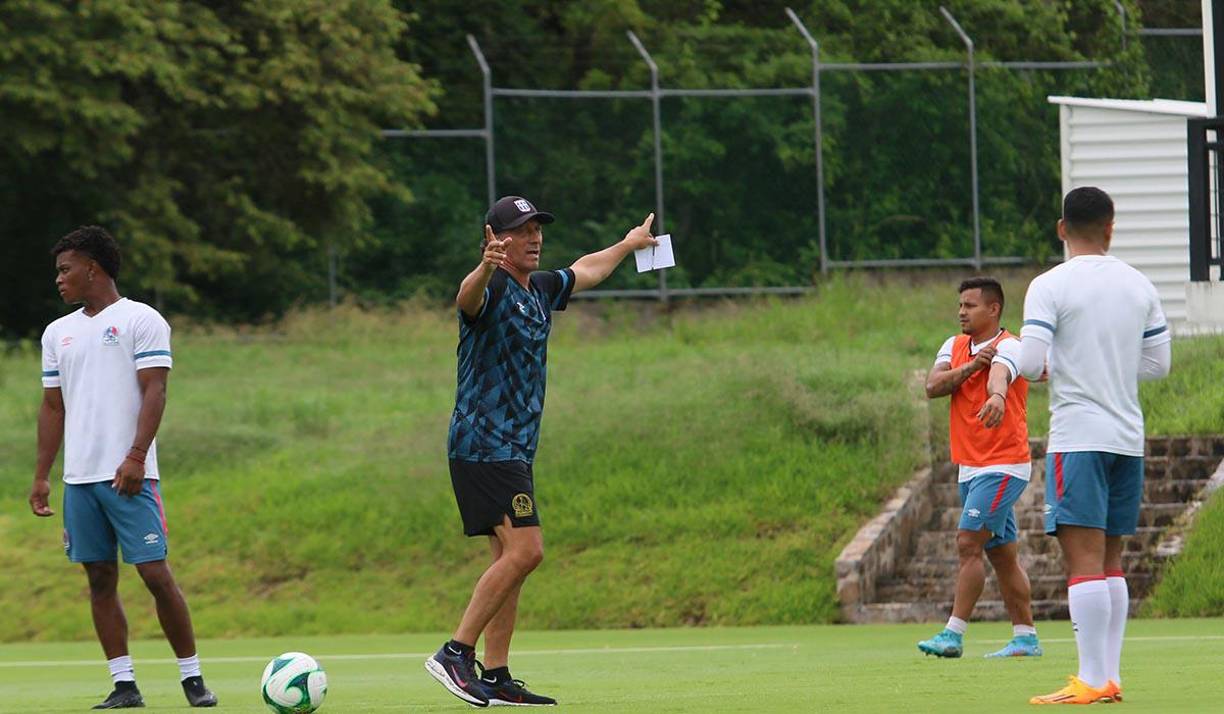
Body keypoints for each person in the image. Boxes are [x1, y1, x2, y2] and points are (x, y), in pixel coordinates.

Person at [425, 197, 658, 708]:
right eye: (521, 230)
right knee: (528, 551)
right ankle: (454, 653)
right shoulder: (491, 287)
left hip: (513, 450)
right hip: (482, 446)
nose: (533, 237)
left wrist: (628, 244)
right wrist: (482, 269)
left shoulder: (539, 289)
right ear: (495, 238)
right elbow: (466, 300)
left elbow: (584, 271)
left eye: (537, 229)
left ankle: (498, 672)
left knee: (510, 558)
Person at [28, 226, 217, 709]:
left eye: (65, 269)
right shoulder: (58, 333)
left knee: (155, 573)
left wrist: (135, 457)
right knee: (99, 579)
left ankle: (192, 678)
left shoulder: (141, 319)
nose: (59, 279)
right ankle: (124, 684)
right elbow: (53, 408)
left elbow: (156, 389)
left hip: (130, 475)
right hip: (80, 482)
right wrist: (42, 475)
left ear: (93, 268)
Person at [1020, 187, 1171, 705]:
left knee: (1082, 561)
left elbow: (1031, 360)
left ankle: (1090, 678)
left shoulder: (1048, 285)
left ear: (1062, 229)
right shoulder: (1139, 284)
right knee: (1110, 561)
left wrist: (1043, 362)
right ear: (1110, 228)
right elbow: (1158, 365)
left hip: (1078, 438)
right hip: (1127, 439)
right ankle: (1109, 678)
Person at [917, 277, 1042, 660]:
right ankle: (1025, 638)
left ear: (993, 309)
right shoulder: (953, 346)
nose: (961, 312)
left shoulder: (1011, 346)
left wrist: (999, 395)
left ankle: (953, 635)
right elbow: (933, 385)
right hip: (970, 467)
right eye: (960, 305)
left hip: (1004, 464)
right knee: (1002, 556)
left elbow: (1000, 373)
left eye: (970, 306)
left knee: (968, 542)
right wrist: (971, 366)